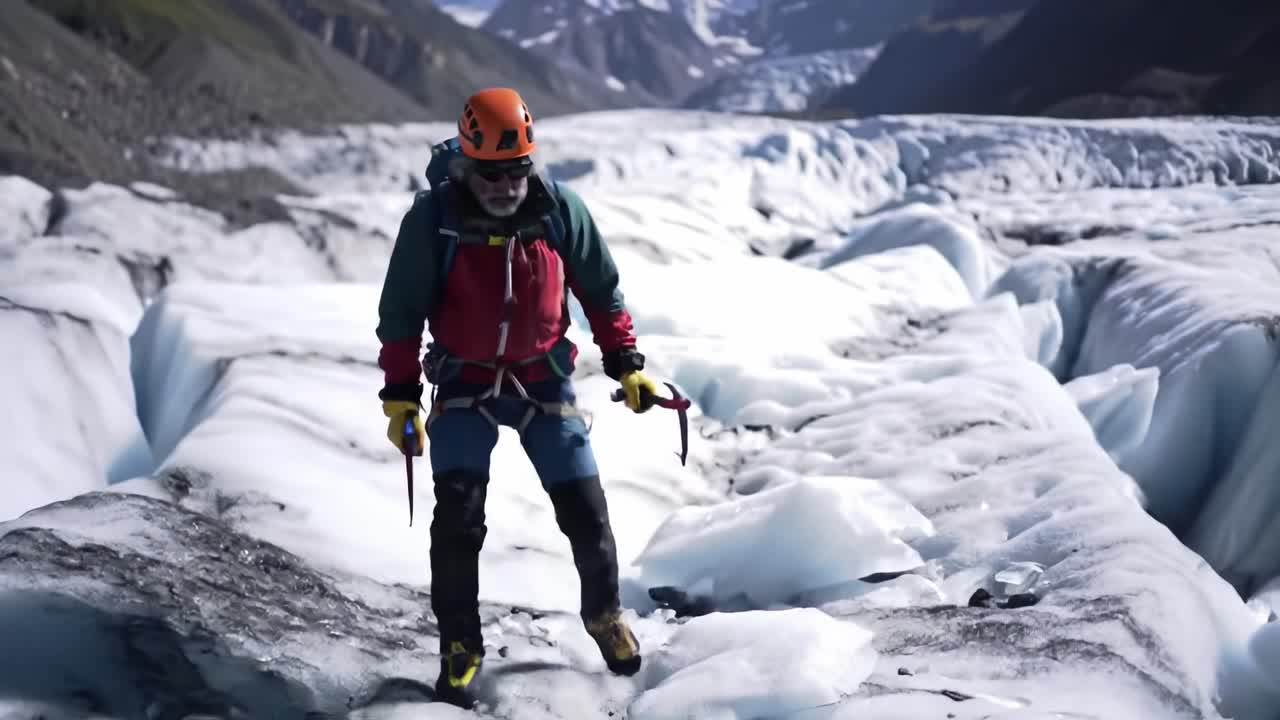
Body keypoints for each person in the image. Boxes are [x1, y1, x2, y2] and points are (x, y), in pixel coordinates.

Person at [375, 87, 656, 708]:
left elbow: (601, 291)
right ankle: (460, 644)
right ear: (466, 166)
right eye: (491, 173)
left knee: (585, 510)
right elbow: (401, 314)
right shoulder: (434, 219)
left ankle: (604, 616)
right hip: (464, 381)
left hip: (542, 378)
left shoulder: (559, 211)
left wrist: (625, 363)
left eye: (517, 170)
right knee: (458, 520)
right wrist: (401, 396)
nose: (505, 185)